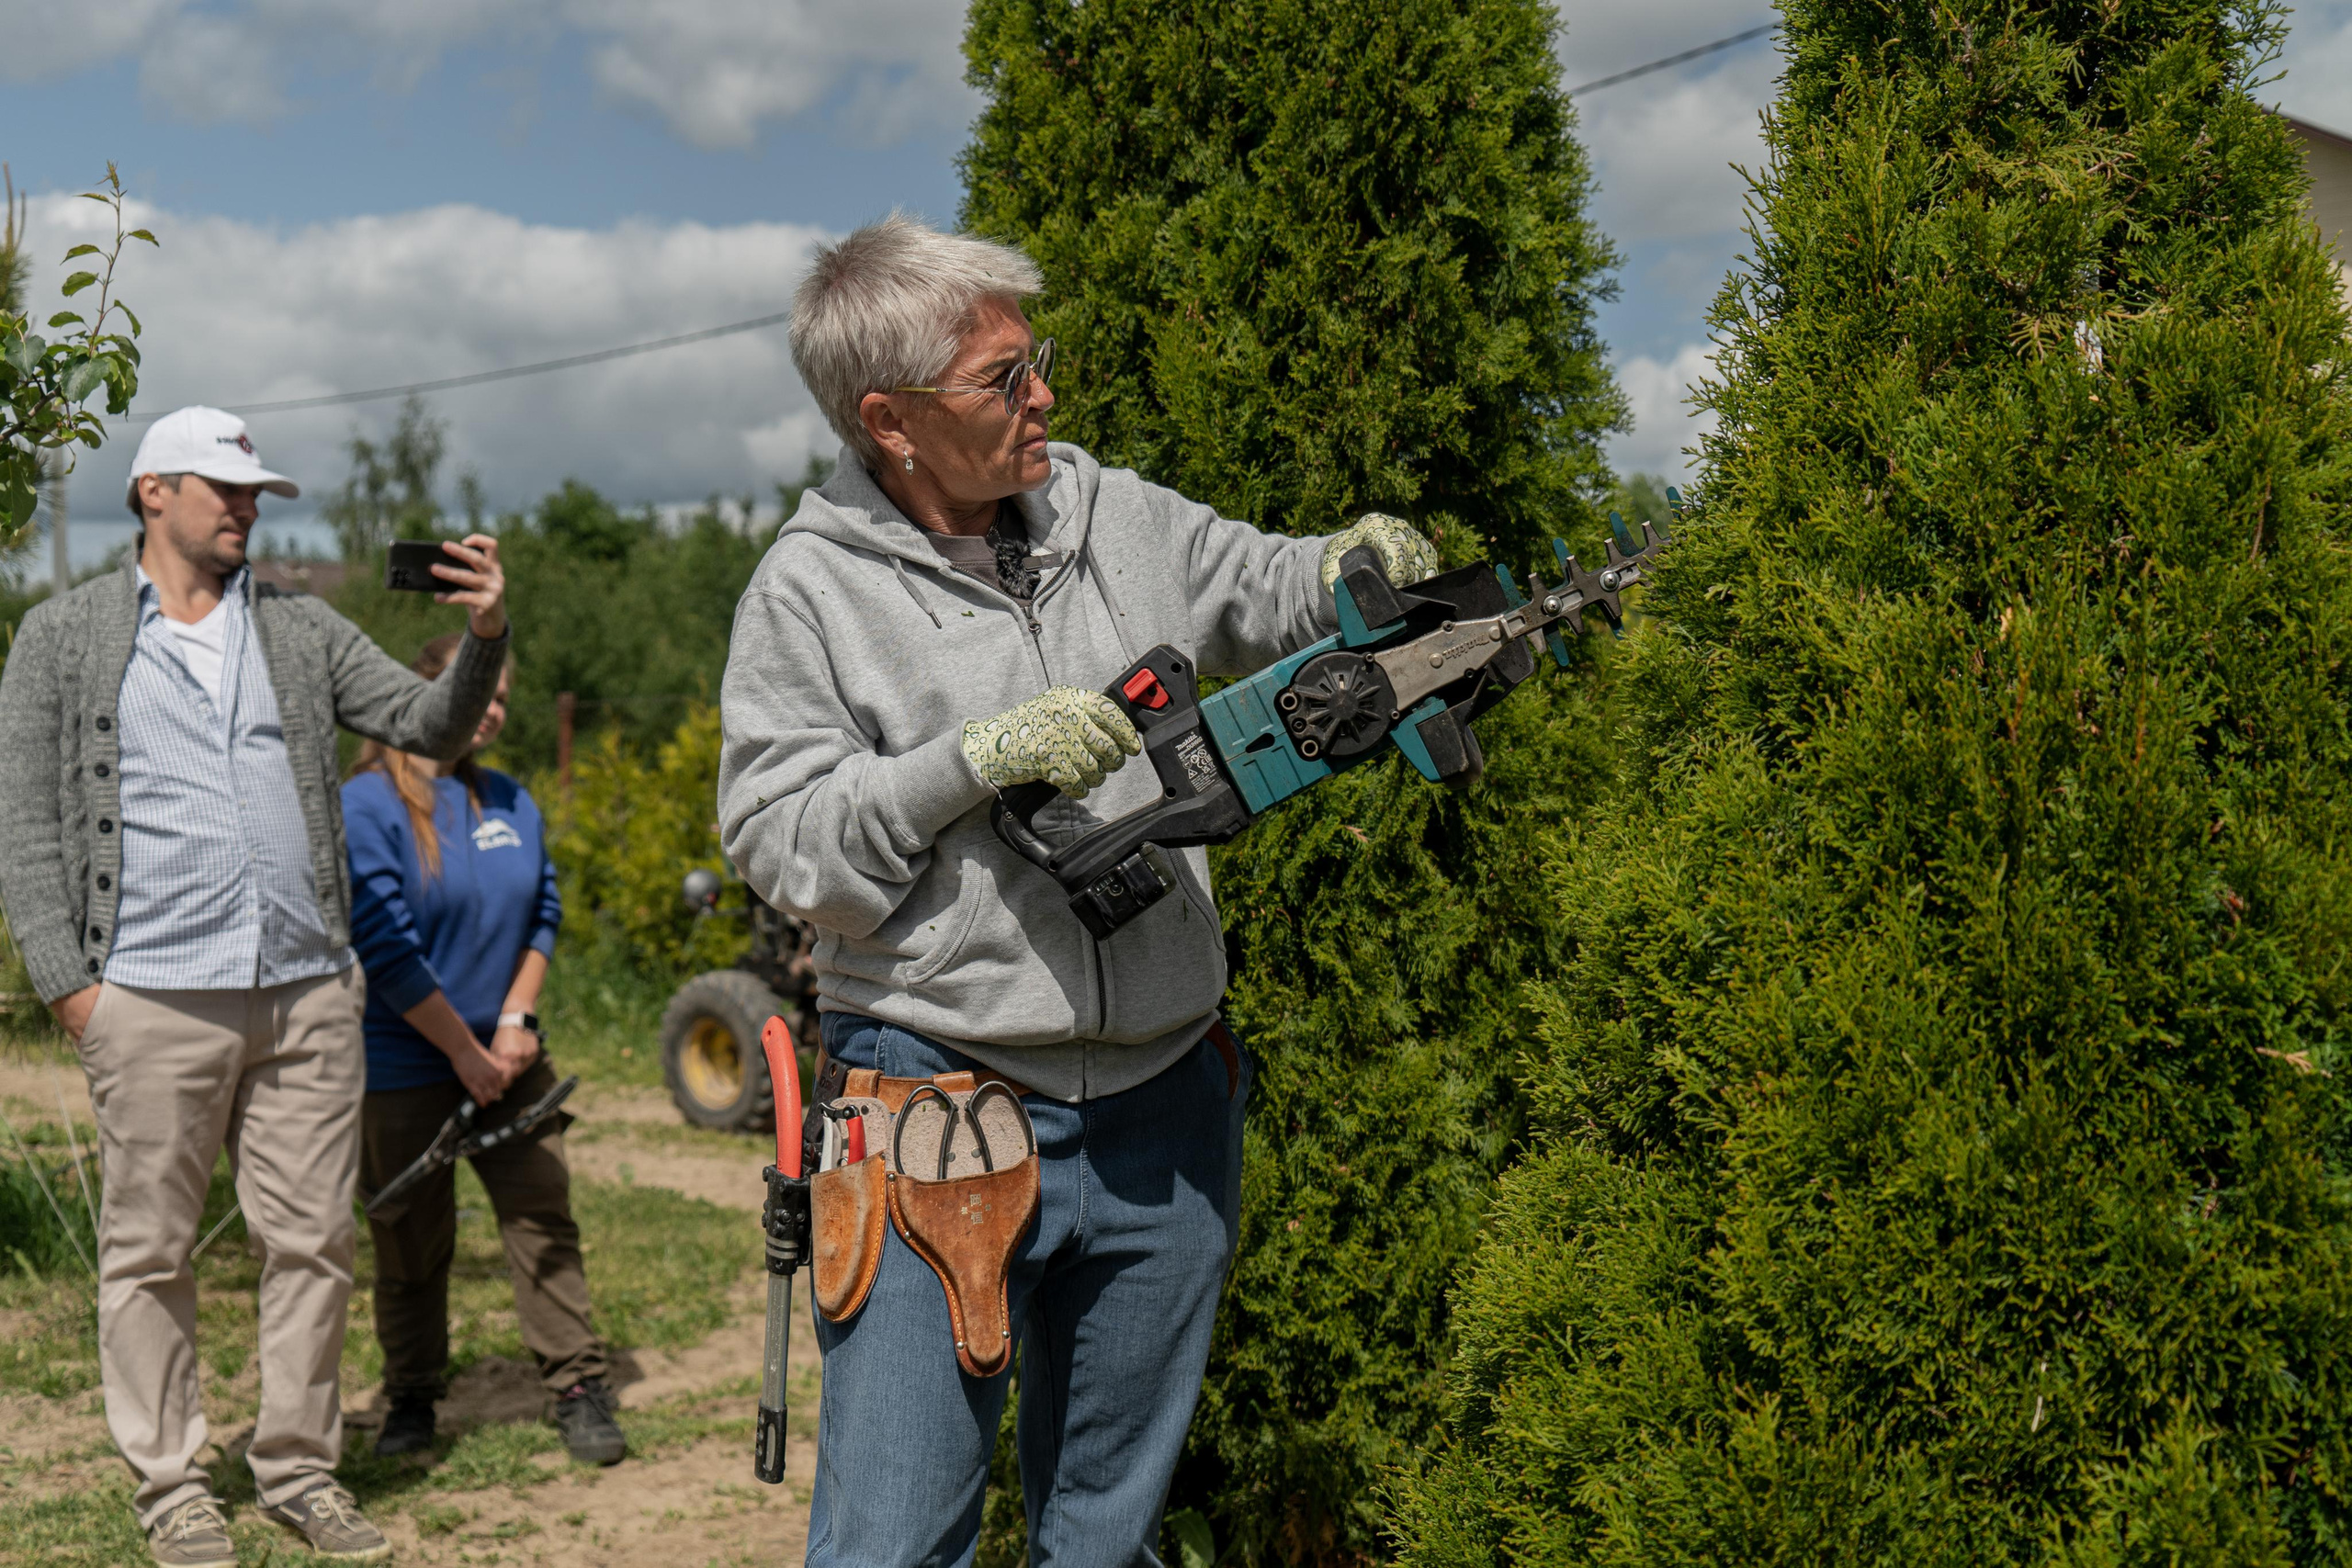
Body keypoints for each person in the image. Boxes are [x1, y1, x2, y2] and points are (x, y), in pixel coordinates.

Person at [718, 216, 1436, 1563]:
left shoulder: (1115, 511)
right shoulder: (807, 594)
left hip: (1166, 1105)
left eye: (1035, 358)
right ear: (892, 421)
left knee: (1106, 1537)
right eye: (1005, 377)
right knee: (892, 1539)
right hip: (939, 1107)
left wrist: (1347, 563)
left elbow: (1259, 579)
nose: (1043, 391)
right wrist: (962, 763)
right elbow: (781, 838)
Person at [0, 406, 510, 1568]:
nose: (243, 508)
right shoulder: (63, 635)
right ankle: (172, 1483)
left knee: (311, 1245)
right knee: (149, 1253)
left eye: (253, 492)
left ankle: (297, 1470)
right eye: (221, 488)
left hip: (302, 991)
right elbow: (23, 826)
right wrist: (70, 986)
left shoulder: (298, 625)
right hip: (149, 995)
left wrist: (484, 631)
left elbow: (425, 720)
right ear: (152, 495)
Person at [342, 633, 625, 1468]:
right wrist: (463, 1050)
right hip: (405, 1064)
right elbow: (382, 945)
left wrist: (513, 1023)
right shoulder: (366, 803)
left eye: (501, 696)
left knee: (544, 1220)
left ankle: (577, 1383)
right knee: (410, 1243)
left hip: (511, 1060)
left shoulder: (509, 799)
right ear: (427, 695)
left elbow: (544, 910)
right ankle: (413, 1398)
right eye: (479, 692)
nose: (492, 708)